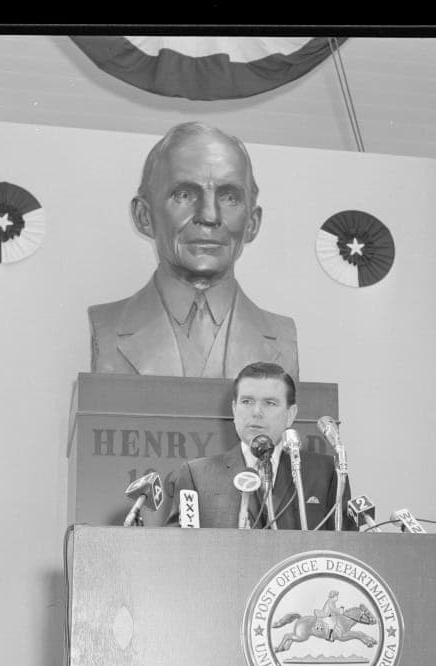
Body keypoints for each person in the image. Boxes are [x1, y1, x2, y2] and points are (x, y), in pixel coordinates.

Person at [89, 122, 299, 379]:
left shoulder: (283, 336)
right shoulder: (107, 325)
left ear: (252, 223)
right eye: (184, 195)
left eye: (229, 197)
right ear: (144, 216)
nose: (209, 216)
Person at [166, 362, 354, 530]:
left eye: (270, 403)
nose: (256, 412)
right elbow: (179, 550)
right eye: (247, 402)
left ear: (291, 414)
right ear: (234, 409)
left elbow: (346, 549)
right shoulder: (197, 475)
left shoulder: (327, 473)